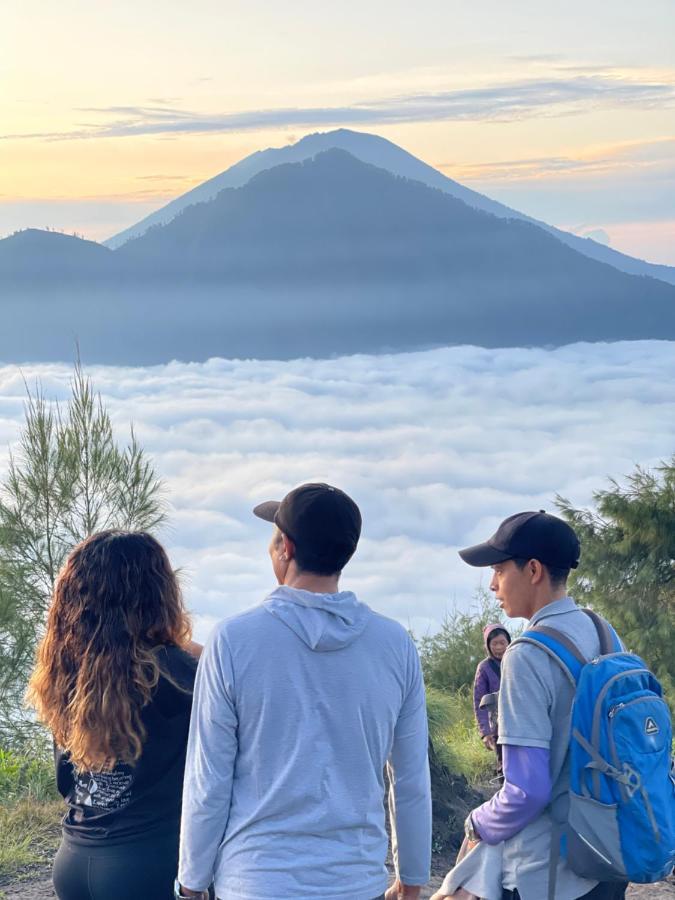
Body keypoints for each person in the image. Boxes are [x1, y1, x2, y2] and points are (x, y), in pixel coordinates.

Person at [176, 482, 431, 900]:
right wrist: (413, 877)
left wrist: (193, 881)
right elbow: (410, 777)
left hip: (255, 880)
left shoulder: (233, 641)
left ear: (285, 547)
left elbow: (210, 778)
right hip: (355, 880)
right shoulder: (394, 645)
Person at [432, 510, 628, 900]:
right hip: (608, 854)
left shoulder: (527, 655)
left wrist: (476, 822)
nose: (492, 584)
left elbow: (527, 792)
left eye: (499, 570)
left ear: (533, 569)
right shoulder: (604, 632)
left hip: (550, 873)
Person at [27, 531, 202, 900]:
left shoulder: (67, 672)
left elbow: (65, 781)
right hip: (148, 865)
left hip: (74, 859)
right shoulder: (179, 673)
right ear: (159, 593)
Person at [473, 624, 511, 770]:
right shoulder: (484, 668)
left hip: (520, 722)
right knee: (504, 765)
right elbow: (479, 701)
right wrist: (485, 733)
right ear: (488, 646)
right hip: (498, 727)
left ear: (509, 642)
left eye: (502, 643)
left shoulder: (517, 661)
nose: (499, 647)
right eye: (494, 644)